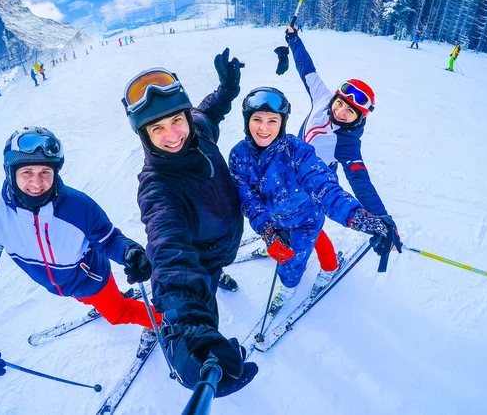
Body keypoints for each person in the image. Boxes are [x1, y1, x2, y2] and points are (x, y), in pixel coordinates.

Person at [0, 126, 161, 387]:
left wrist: (130, 253)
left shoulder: (77, 205)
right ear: (11, 173)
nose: (37, 182)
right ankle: (109, 302)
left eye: (45, 172)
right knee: (91, 301)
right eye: (27, 173)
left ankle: (161, 320)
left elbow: (109, 239)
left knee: (117, 314)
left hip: (92, 280)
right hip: (64, 287)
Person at [121, 50, 258, 397]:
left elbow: (209, 111)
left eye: (175, 121)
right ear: (144, 135)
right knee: (203, 293)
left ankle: (221, 271)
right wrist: (186, 325)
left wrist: (227, 89)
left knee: (221, 263)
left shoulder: (196, 128)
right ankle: (203, 304)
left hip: (227, 240)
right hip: (198, 262)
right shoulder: (157, 187)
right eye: (157, 128)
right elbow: (168, 247)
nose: (172, 135)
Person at [228, 87, 401, 312]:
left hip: (305, 220)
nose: (263, 128)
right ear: (246, 120)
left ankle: (288, 288)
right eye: (257, 119)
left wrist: (361, 218)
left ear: (282, 123)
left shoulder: (297, 150)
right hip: (276, 219)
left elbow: (324, 187)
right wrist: (267, 229)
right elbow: (247, 198)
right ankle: (278, 247)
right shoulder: (238, 155)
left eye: (272, 121)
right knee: (281, 247)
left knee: (293, 262)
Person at [285, 26, 402, 292]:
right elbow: (306, 67)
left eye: (350, 111)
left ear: (360, 117)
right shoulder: (322, 97)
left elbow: (359, 179)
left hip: (317, 184)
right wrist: (293, 38)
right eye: (340, 103)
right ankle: (283, 236)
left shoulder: (347, 143)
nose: (340, 111)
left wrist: (381, 216)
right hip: (291, 169)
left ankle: (329, 265)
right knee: (282, 210)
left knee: (309, 226)